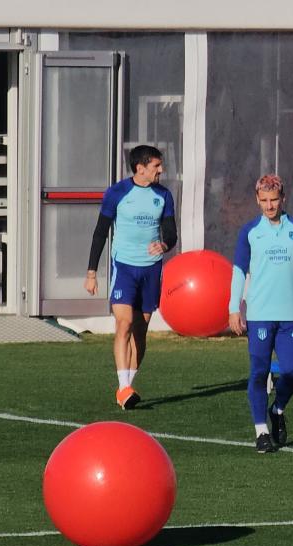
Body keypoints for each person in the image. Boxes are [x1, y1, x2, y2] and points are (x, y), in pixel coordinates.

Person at [228, 175, 293, 453]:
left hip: (290, 314)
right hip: (259, 314)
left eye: (274, 200)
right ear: (257, 200)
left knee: (292, 371)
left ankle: (278, 408)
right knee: (259, 371)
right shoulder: (250, 232)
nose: (269, 206)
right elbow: (238, 271)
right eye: (264, 200)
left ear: (283, 199)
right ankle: (261, 432)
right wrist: (234, 308)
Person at [84, 145, 177, 410]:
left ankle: (127, 388)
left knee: (140, 332)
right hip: (124, 267)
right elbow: (100, 232)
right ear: (141, 168)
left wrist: (165, 245)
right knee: (123, 324)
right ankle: (123, 386)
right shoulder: (117, 193)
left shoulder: (164, 195)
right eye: (157, 166)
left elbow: (171, 233)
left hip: (151, 270)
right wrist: (92, 272)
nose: (161, 170)